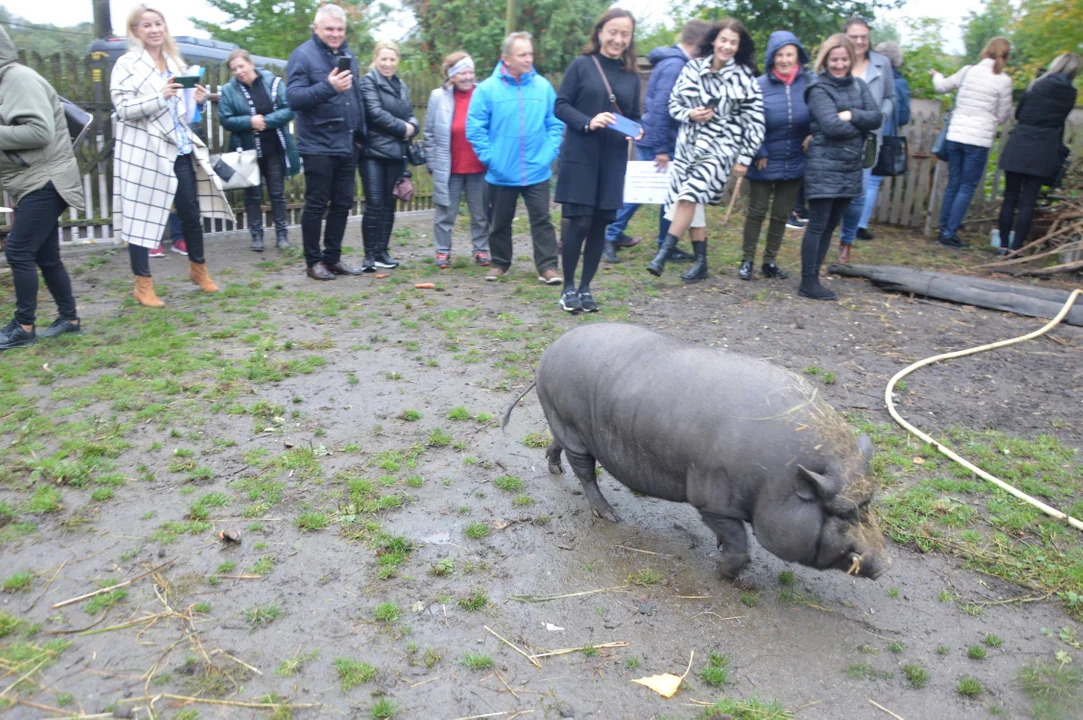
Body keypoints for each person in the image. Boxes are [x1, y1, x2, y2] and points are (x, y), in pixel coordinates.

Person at [111, 5, 232, 308]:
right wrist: (159, 96)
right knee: (143, 215)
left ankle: (199, 270)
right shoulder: (126, 64)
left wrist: (198, 103)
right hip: (146, 151)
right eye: (147, 25)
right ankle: (143, 285)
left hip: (179, 149)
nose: (154, 30)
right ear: (135, 31)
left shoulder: (176, 62)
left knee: (190, 213)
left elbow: (184, 115)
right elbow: (123, 109)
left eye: (158, 24)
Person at [646, 19, 764, 283]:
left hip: (720, 149)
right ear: (714, 40)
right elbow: (673, 104)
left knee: (689, 196)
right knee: (691, 203)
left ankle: (662, 255)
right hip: (687, 147)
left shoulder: (745, 78)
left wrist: (744, 157)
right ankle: (701, 263)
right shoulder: (691, 68)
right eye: (723, 40)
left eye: (733, 42)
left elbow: (755, 124)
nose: (727, 46)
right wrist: (690, 113)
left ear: (738, 46)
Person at [552, 9, 642, 313]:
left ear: (630, 39)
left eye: (625, 34)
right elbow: (560, 106)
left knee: (600, 226)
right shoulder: (582, 66)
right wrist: (589, 121)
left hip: (613, 160)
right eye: (613, 32)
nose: (618, 39)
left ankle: (586, 288)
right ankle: (567, 288)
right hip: (581, 157)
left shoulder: (631, 77)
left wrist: (635, 130)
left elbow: (636, 120)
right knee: (578, 223)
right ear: (600, 32)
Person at [0, 25, 83, 348]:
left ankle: (24, 326)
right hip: (33, 180)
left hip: (47, 180)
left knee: (19, 252)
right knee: (47, 257)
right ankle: (69, 318)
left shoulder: (18, 79)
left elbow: (39, 131)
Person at [602, 19, 710, 264]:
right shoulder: (675, 66)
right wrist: (662, 149)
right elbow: (660, 108)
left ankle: (665, 244)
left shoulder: (677, 62)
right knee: (641, 191)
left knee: (668, 194)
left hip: (664, 140)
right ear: (699, 43)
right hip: (658, 141)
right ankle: (610, 235)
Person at [466, 31, 564, 284]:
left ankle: (547, 267)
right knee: (499, 222)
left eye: (530, 53)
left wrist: (547, 156)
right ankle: (499, 263)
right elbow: (475, 128)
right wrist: (491, 159)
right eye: (522, 54)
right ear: (506, 58)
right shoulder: (487, 89)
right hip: (501, 171)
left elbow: (555, 124)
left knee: (542, 220)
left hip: (537, 170)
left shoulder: (542, 87)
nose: (528, 59)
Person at [286, 3, 366, 280]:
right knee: (316, 204)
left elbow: (355, 98)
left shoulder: (348, 55)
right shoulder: (302, 55)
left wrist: (360, 134)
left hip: (346, 142)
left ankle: (332, 259)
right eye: (329, 28)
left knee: (343, 203)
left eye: (340, 29)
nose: (335, 34)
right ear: (316, 28)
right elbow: (294, 98)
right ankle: (313, 262)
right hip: (317, 143)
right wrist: (328, 87)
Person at [799, 34, 880, 300]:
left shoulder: (858, 85)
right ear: (826, 59)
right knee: (818, 224)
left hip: (850, 167)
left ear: (851, 59)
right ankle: (808, 282)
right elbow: (830, 125)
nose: (839, 64)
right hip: (824, 166)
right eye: (834, 59)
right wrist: (859, 124)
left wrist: (852, 115)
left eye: (844, 59)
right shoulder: (818, 88)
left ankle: (815, 276)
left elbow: (877, 117)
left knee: (832, 225)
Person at [739, 30, 810, 281]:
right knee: (757, 211)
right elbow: (749, 121)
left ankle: (770, 261)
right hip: (764, 158)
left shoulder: (809, 84)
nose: (784, 59)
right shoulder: (758, 85)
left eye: (789, 54)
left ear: (797, 56)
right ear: (772, 58)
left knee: (781, 214)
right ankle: (747, 260)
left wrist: (813, 135)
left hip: (795, 159)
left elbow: (819, 114)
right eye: (779, 54)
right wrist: (759, 150)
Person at [930, 38, 1013, 249]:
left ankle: (943, 229)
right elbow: (1003, 115)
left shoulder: (967, 71)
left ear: (985, 52)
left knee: (954, 182)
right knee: (966, 187)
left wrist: (937, 75)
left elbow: (941, 87)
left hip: (956, 135)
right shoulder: (1003, 80)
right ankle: (949, 233)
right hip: (978, 139)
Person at [997, 53, 1080, 252]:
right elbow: (1060, 120)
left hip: (1021, 141)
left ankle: (1002, 246)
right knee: (1029, 201)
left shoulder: (1036, 85)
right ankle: (1017, 249)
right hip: (1045, 148)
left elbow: (1019, 114)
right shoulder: (1070, 93)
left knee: (1010, 197)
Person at [220, 48, 300, 253]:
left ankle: (282, 235)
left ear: (251, 64)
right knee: (252, 195)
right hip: (247, 152)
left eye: (241, 66)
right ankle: (256, 236)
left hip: (274, 148)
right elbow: (225, 119)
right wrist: (249, 121)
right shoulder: (229, 90)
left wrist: (265, 121)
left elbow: (289, 108)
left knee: (277, 193)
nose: (238, 71)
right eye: (234, 68)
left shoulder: (273, 82)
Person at [424, 52, 490, 269]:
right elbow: (430, 133)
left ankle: (481, 249)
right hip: (449, 166)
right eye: (462, 72)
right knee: (445, 211)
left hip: (479, 166)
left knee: (480, 212)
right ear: (451, 75)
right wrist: (432, 163)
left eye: (470, 71)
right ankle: (442, 251)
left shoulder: (484, 93)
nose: (467, 77)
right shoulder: (438, 96)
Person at [836, 17, 893, 261]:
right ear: (845, 37)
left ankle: (846, 241)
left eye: (864, 37)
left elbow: (889, 97)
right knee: (833, 192)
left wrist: (880, 116)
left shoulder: (882, 64)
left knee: (859, 193)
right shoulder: (837, 60)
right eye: (854, 36)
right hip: (836, 137)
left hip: (868, 140)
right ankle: (825, 234)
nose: (859, 41)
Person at [358, 41, 416, 271]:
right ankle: (369, 256)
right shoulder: (367, 82)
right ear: (375, 59)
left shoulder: (401, 85)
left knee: (389, 204)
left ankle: (383, 251)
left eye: (392, 59)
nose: (388, 64)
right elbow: (374, 113)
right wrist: (404, 128)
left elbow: (411, 113)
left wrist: (413, 125)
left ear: (397, 61)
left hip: (396, 153)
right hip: (372, 152)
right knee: (374, 203)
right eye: (383, 59)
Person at [855, 40, 910, 240]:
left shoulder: (868, 72)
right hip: (882, 134)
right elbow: (903, 115)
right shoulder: (899, 83)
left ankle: (848, 221)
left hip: (861, 129)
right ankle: (859, 225)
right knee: (871, 182)